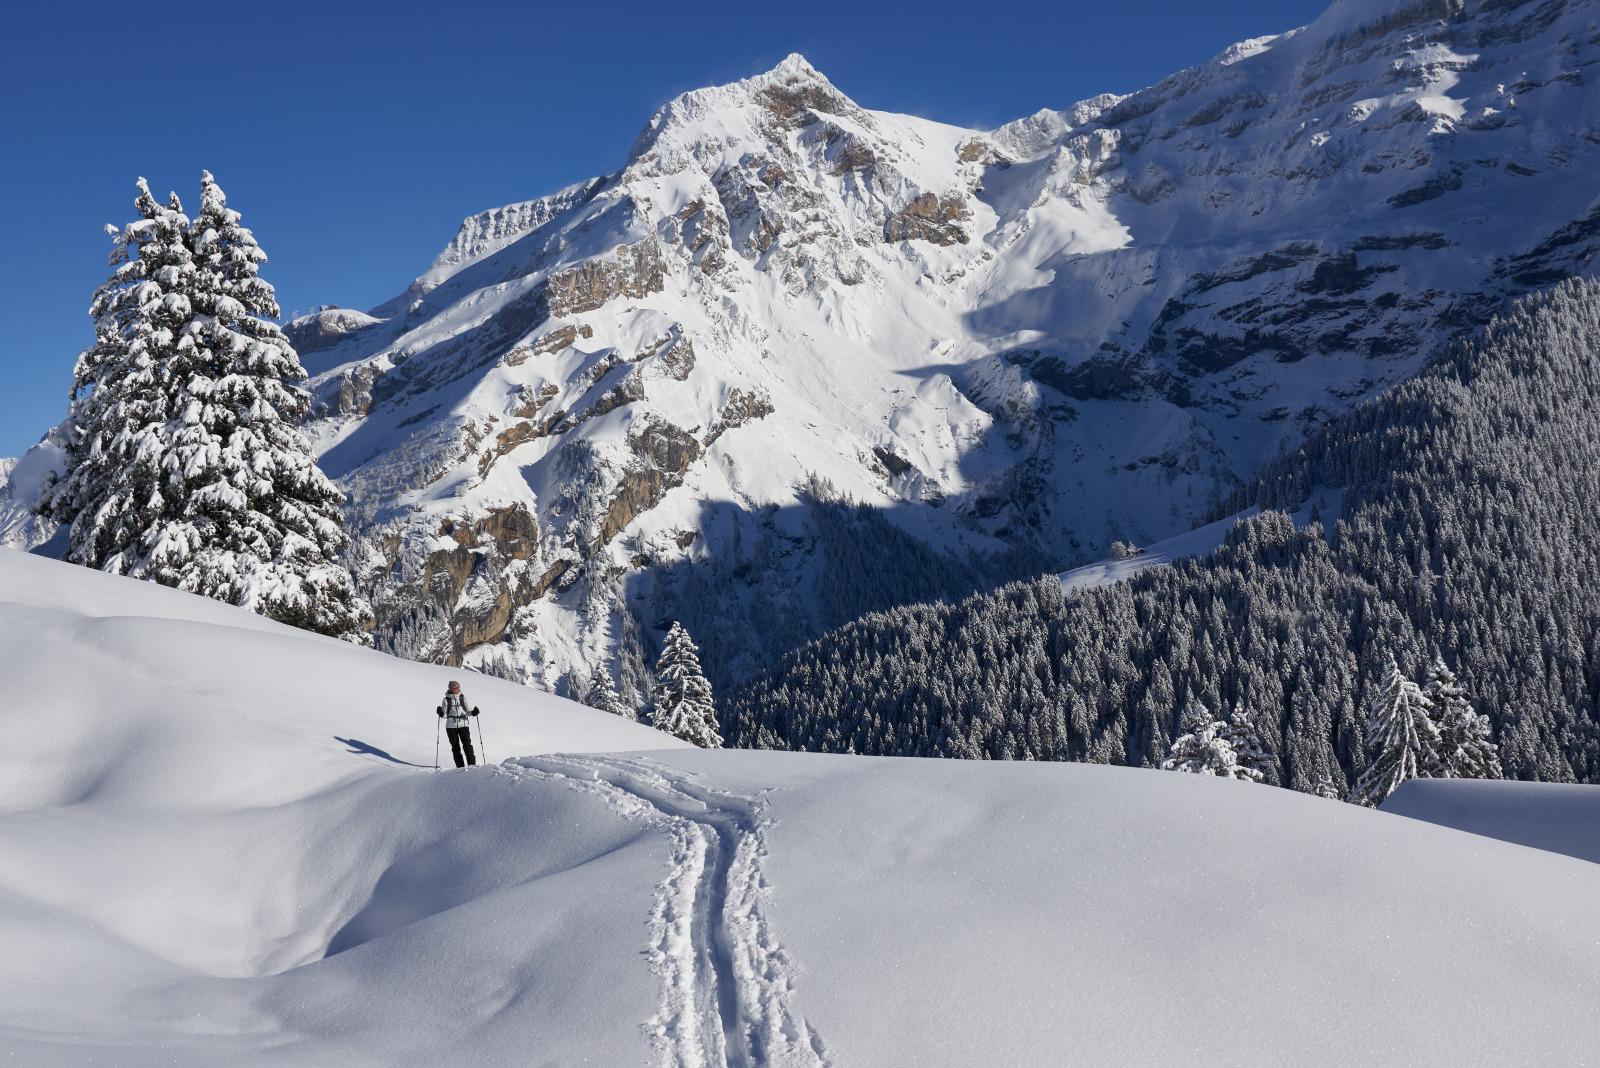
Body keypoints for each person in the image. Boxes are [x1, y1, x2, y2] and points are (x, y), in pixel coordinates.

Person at [436, 680, 479, 768]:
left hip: (464, 725)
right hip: (451, 727)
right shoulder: (446, 700)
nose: (457, 689)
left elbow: (468, 710)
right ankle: (460, 767)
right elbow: (445, 715)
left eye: (458, 687)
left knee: (467, 746)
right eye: (455, 687)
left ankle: (472, 766)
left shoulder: (463, 697)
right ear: (450, 688)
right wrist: (440, 713)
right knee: (455, 747)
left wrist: (474, 712)